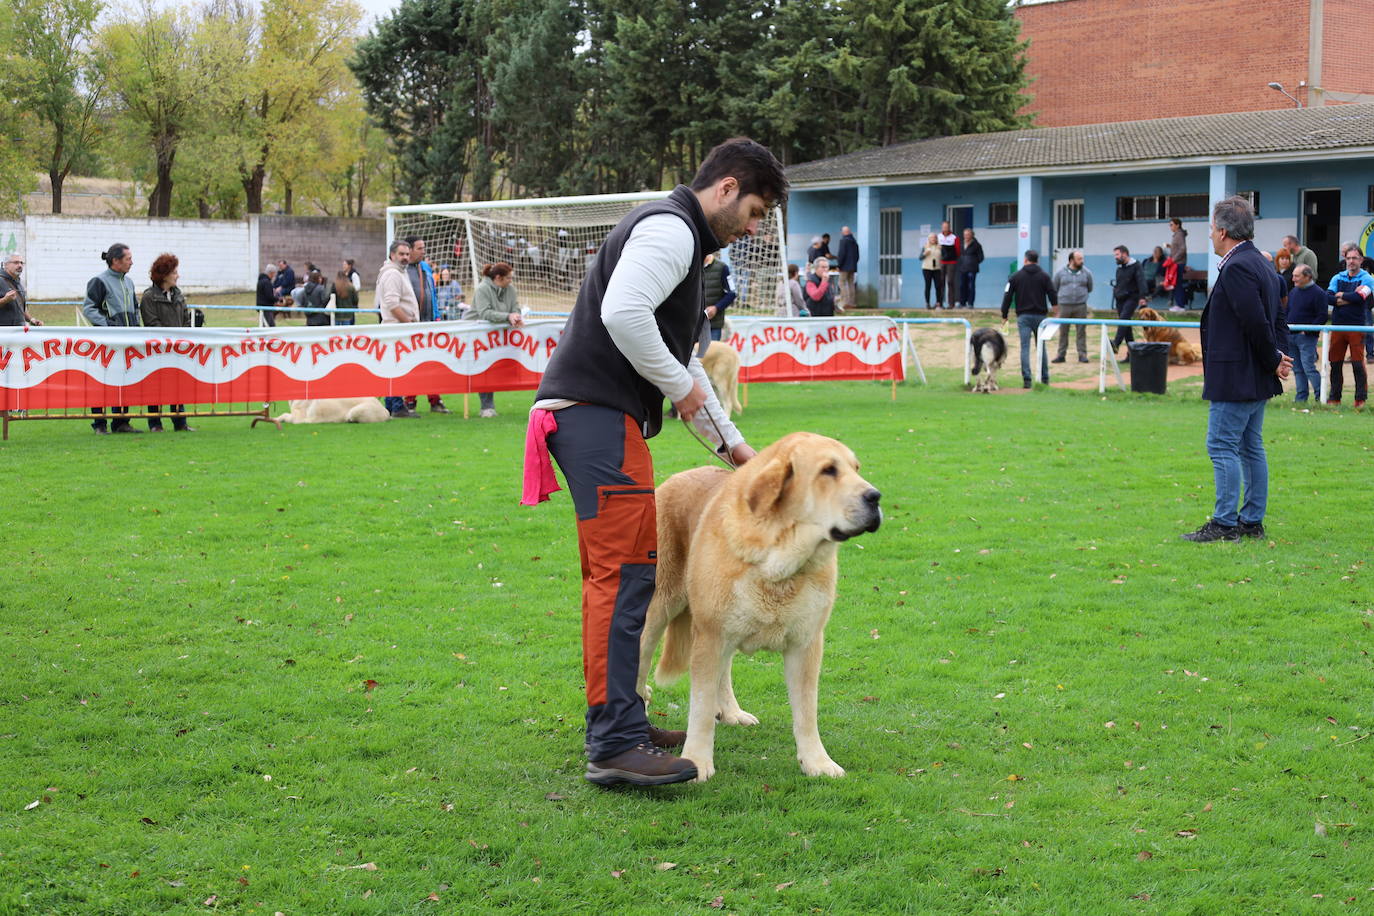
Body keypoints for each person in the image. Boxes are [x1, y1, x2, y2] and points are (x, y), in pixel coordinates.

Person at [527, 137, 781, 787]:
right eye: (754, 211)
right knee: (623, 580)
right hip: (595, 418)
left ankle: (624, 724)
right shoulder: (670, 230)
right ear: (725, 188)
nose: (754, 228)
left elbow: (679, 361)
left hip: (599, 419)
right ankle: (613, 745)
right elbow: (624, 315)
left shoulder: (682, 243)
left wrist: (735, 449)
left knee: (628, 576)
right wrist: (682, 388)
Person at [1183, 196, 1291, 542]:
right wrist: (1277, 357)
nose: (1210, 235)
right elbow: (1276, 319)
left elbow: (1257, 322)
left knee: (1221, 445)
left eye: (1212, 228)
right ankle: (1250, 521)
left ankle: (1225, 523)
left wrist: (1275, 358)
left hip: (1238, 374)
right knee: (1249, 446)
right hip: (1254, 373)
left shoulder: (1240, 266)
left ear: (1224, 231)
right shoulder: (1261, 263)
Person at [82, 244, 141, 434]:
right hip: (106, 342)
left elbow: (135, 307)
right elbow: (89, 308)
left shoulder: (129, 282)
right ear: (116, 261)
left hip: (127, 342)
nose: (132, 262)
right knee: (101, 383)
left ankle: (121, 422)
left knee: (125, 381)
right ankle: (99, 424)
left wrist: (136, 327)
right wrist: (108, 326)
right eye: (128, 259)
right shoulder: (98, 281)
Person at [139, 253, 194, 432]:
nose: (177, 275)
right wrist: (168, 340)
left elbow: (186, 318)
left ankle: (180, 422)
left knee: (178, 386)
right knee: (156, 386)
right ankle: (155, 423)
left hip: (178, 349)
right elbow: (151, 322)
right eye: (174, 272)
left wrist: (182, 338)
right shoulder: (149, 297)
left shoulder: (178, 295)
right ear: (164, 275)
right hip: (158, 349)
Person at [402, 237, 451, 414]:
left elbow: (432, 294)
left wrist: (436, 317)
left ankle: (435, 400)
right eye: (420, 248)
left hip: (430, 324)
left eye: (424, 247)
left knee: (432, 364)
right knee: (413, 365)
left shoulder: (426, 268)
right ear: (410, 250)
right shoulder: (402, 271)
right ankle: (409, 401)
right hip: (412, 326)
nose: (424, 251)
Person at [470, 261, 523, 418]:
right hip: (479, 336)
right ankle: (486, 407)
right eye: (508, 278)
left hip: (501, 334)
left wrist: (516, 316)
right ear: (498, 278)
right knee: (484, 368)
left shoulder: (510, 289)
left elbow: (515, 307)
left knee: (498, 368)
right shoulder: (482, 289)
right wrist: (508, 316)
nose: (510, 281)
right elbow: (484, 313)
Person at [375, 239, 421, 418]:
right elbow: (393, 304)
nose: (405, 258)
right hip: (397, 329)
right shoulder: (393, 274)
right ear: (392, 255)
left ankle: (392, 405)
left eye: (407, 254)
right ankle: (396, 406)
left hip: (397, 328)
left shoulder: (398, 272)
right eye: (401, 254)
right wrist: (408, 324)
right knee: (396, 368)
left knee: (393, 368)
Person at [1324, 244, 1373, 408]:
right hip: (1338, 326)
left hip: (1357, 327)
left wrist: (1341, 296)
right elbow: (1328, 297)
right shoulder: (1337, 277)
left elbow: (1361, 297)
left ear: (1361, 260)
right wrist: (1348, 297)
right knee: (1335, 363)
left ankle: (1360, 399)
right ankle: (1334, 397)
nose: (1351, 261)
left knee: (1358, 364)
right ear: (1345, 259)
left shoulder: (1367, 278)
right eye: (1348, 258)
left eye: (1354, 258)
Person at [1000, 249, 1057, 388]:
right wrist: (1056, 311)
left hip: (1023, 317)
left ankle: (1027, 379)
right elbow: (1052, 293)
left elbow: (1007, 296)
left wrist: (1004, 315)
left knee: (1025, 347)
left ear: (1025, 260)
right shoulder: (1044, 276)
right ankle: (1045, 378)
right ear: (1037, 260)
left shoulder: (1015, 276)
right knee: (1041, 347)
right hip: (1041, 317)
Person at [1285, 263, 1326, 403]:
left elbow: (1322, 316)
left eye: (1296, 276)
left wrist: (1307, 330)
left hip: (1306, 337)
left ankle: (1321, 396)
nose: (1293, 279)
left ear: (1307, 276)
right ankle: (1301, 397)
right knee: (1297, 369)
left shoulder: (1319, 293)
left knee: (1308, 367)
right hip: (1291, 335)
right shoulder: (1294, 291)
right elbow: (1287, 311)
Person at [1050, 249, 1092, 363]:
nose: (1082, 261)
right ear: (1071, 260)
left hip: (1080, 306)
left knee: (1081, 331)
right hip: (1064, 306)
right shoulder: (1060, 273)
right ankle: (1061, 355)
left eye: (1082, 258)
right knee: (1063, 331)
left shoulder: (1087, 273)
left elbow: (1090, 288)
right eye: (1079, 259)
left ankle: (1082, 354)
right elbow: (1055, 288)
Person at [1110, 245, 1149, 361]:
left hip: (1132, 298)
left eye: (1117, 255)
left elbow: (1141, 281)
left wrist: (1143, 297)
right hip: (1120, 299)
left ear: (1125, 254)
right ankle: (1132, 354)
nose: (1115, 257)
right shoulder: (1120, 268)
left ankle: (1116, 343)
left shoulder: (1136, 266)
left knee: (1123, 319)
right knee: (1126, 327)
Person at [701, 250, 736, 340]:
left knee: (710, 353)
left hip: (713, 325)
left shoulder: (722, 267)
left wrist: (716, 308)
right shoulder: (692, 267)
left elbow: (732, 293)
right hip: (692, 325)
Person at [0, 254, 40, 326]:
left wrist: (32, 320)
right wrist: (5, 300)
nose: (20, 265)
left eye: (21, 263)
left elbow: (21, 309)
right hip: (3, 332)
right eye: (16, 262)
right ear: (6, 265)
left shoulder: (18, 282)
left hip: (19, 332)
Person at [955, 227, 984, 308]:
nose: (966, 236)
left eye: (968, 235)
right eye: (965, 235)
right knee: (962, 286)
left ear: (972, 235)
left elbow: (981, 257)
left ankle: (970, 303)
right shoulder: (961, 244)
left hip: (972, 269)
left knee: (971, 286)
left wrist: (973, 262)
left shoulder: (976, 245)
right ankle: (962, 303)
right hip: (962, 268)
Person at [1167, 218, 1189, 312]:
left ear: (1177, 225)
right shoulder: (1177, 235)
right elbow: (1178, 247)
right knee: (1176, 284)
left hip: (1178, 263)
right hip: (1177, 262)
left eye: (1171, 225)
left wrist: (1174, 259)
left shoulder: (1179, 234)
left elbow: (1182, 249)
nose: (1170, 227)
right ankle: (1179, 304)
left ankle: (1180, 305)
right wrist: (1170, 247)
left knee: (1177, 284)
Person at [835, 225, 860, 310]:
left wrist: (839, 265)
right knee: (851, 284)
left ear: (844, 232)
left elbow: (841, 254)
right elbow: (857, 255)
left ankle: (844, 302)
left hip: (844, 267)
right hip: (852, 266)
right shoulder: (854, 241)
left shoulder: (843, 241)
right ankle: (852, 302)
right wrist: (854, 264)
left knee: (841, 283)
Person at [937, 221, 960, 309]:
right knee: (941, 282)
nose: (945, 228)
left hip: (951, 263)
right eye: (944, 227)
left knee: (950, 282)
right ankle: (940, 303)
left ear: (949, 227)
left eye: (947, 227)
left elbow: (958, 251)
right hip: (941, 262)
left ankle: (951, 303)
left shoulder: (954, 238)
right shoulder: (939, 237)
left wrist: (953, 258)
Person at [920, 232, 941, 308]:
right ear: (928, 239)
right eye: (931, 238)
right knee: (928, 286)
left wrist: (942, 250)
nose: (933, 239)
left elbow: (945, 256)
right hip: (927, 268)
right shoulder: (925, 246)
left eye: (934, 238)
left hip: (937, 268)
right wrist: (925, 253)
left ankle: (938, 303)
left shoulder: (939, 247)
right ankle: (927, 303)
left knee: (938, 286)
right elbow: (920, 258)